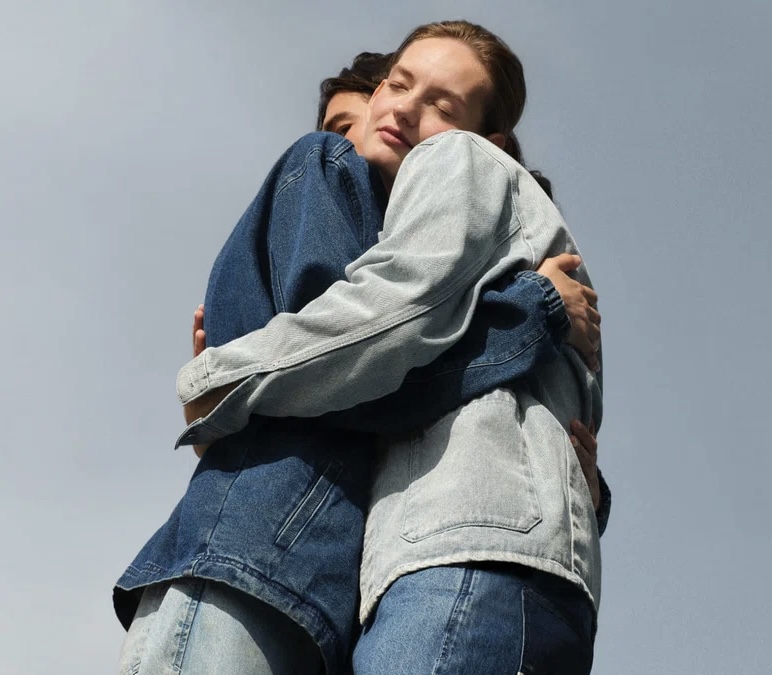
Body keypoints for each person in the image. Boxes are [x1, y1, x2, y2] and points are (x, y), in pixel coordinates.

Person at [116, 24, 607, 675]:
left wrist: (227, 388)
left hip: (340, 578)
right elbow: (359, 354)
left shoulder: (466, 190)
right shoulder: (323, 164)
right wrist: (530, 313)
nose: (388, 120)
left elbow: (374, 350)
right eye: (395, 88)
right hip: (260, 553)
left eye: (440, 104)